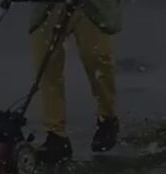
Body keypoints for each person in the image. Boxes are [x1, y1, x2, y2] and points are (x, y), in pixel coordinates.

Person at [29, 0, 122, 163]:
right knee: (46, 64)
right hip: (49, 7)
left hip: (92, 7)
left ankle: (108, 117)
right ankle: (56, 134)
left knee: (98, 59)